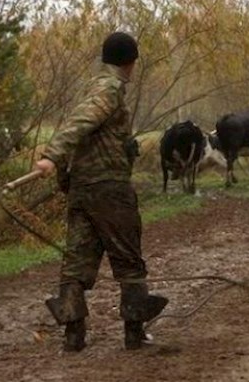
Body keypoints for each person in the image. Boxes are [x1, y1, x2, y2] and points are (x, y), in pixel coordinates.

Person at [33, 32, 167, 352]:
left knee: (77, 263)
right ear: (131, 62)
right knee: (128, 261)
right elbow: (80, 123)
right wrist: (51, 155)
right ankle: (135, 335)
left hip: (82, 190)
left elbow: (78, 127)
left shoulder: (92, 86)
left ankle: (73, 336)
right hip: (110, 190)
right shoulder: (109, 89)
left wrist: (63, 176)